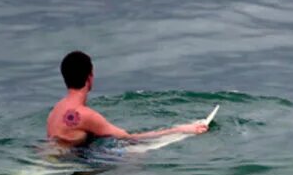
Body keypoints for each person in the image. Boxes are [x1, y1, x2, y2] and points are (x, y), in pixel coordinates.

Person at [47, 50, 208, 146]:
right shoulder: (86, 116)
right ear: (90, 77)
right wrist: (181, 129)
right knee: (133, 155)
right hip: (69, 161)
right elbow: (130, 138)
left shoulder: (56, 109)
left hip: (53, 154)